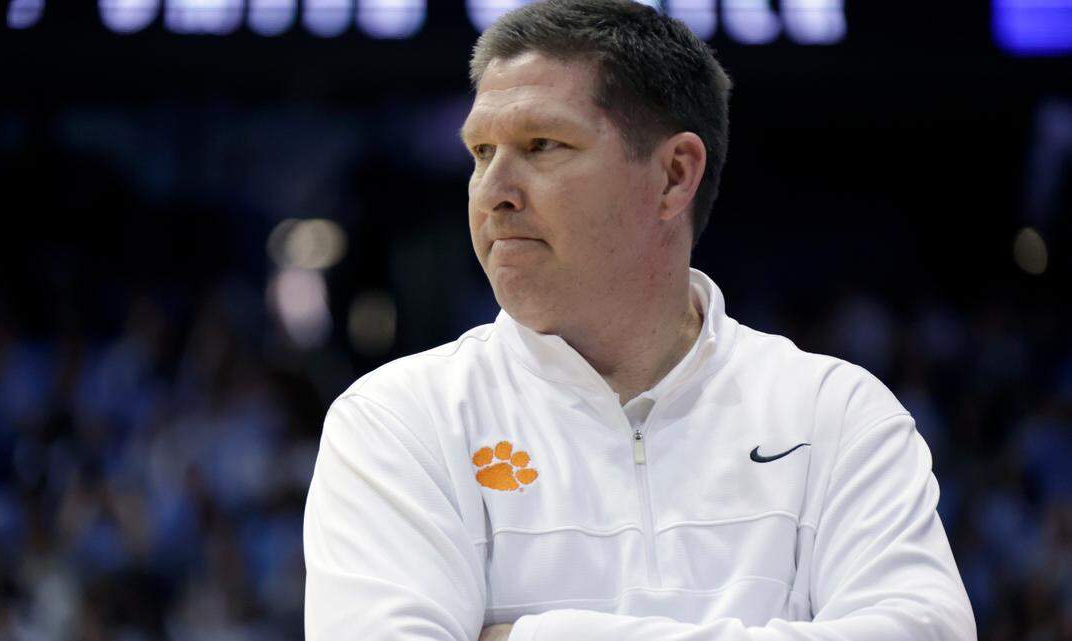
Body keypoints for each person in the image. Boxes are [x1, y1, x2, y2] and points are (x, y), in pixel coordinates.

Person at [302, 1, 977, 639]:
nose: (494, 192)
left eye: (542, 145)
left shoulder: (837, 414)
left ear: (675, 175)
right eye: (481, 153)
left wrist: (540, 634)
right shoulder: (397, 421)